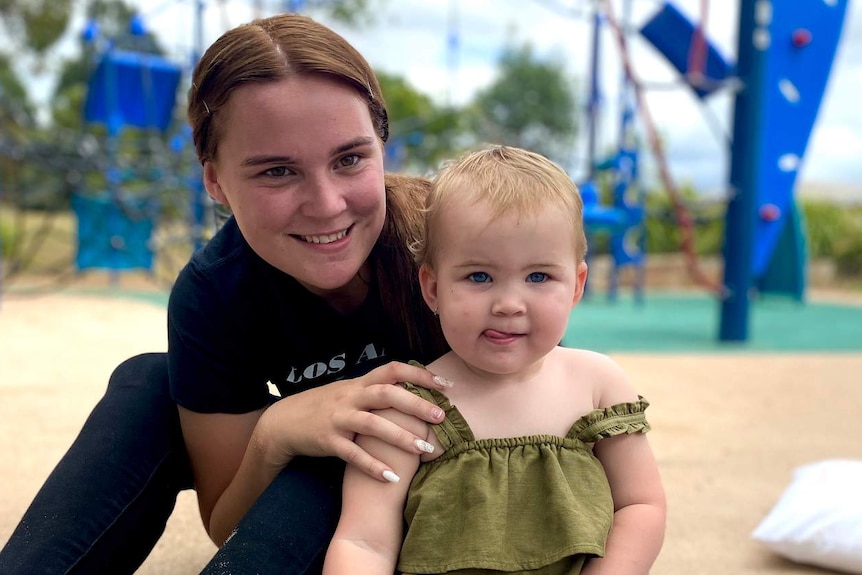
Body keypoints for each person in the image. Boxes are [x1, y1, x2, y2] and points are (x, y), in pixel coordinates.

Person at [0, 13, 454, 574]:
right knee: (148, 382)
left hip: (450, 498)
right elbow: (224, 522)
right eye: (277, 172)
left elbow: (549, 397)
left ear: (382, 146)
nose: (326, 203)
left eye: (349, 159)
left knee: (353, 439)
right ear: (215, 181)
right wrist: (276, 432)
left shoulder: (446, 240)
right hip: (328, 528)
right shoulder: (214, 291)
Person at [323, 145, 667, 575]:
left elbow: (641, 505)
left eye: (538, 276)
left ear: (576, 286)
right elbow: (363, 542)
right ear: (432, 288)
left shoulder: (597, 384)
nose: (508, 304)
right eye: (479, 276)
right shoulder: (408, 408)